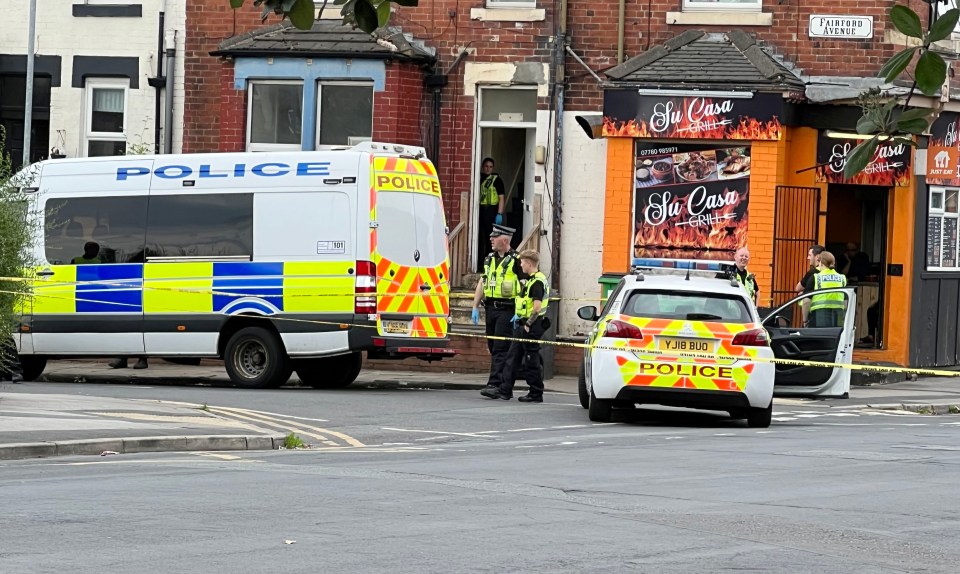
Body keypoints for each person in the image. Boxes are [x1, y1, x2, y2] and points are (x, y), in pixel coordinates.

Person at [482, 250, 549, 402]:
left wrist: (528, 324)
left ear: (529, 263)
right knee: (512, 357)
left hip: (530, 326)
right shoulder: (531, 280)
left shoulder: (537, 281)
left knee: (531, 360)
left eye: (522, 262)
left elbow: (537, 307)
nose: (521, 265)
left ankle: (536, 393)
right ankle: (505, 390)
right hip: (521, 323)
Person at [471, 224, 524, 392]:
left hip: (508, 308)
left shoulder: (517, 260)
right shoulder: (489, 259)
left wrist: (520, 310)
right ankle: (501, 381)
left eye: (495, 237)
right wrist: (475, 306)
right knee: (493, 346)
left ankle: (495, 384)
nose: (491, 239)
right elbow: (482, 281)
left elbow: (524, 286)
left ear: (505, 239)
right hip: (491, 308)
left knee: (501, 347)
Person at [477, 157, 506, 271]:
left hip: (492, 211)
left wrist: (499, 213)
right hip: (481, 210)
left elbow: (501, 197)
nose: (488, 169)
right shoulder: (478, 178)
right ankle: (480, 264)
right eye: (486, 166)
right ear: (482, 167)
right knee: (481, 238)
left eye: (490, 167)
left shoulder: (496, 180)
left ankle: (490, 264)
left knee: (491, 239)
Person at [806, 251, 847, 328]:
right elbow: (846, 301)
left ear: (820, 263)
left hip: (819, 316)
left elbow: (806, 301)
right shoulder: (842, 278)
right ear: (833, 263)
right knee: (836, 338)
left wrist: (805, 320)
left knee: (819, 338)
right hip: (838, 316)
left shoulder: (815, 277)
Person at [797, 244, 824, 326]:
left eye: (809, 255)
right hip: (834, 313)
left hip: (814, 313)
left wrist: (804, 292)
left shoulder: (813, 273)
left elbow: (798, 288)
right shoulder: (834, 274)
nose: (808, 258)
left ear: (817, 257)